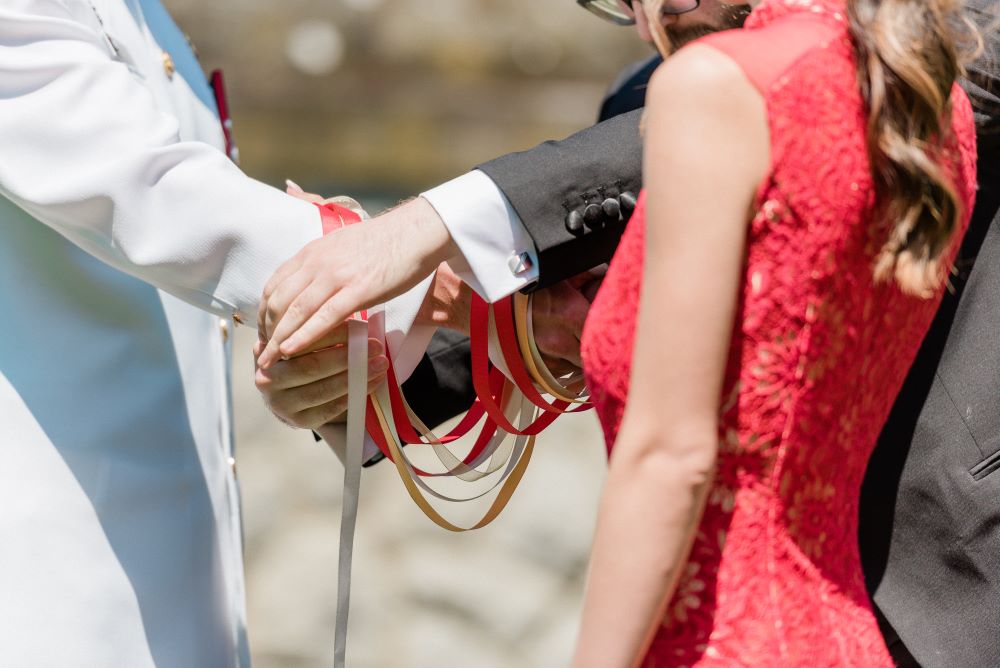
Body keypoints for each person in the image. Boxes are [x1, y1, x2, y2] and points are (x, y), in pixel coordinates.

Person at [258, 0, 980, 664]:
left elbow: (673, 452)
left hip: (950, 572)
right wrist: (355, 350)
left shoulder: (926, 50)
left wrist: (433, 225)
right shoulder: (649, 92)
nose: (642, 21)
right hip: (818, 627)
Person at [573, 0, 976, 664]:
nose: (643, 26)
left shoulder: (717, 88)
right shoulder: (922, 87)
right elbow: (786, 349)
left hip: (719, 641)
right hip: (843, 635)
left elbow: (671, 458)